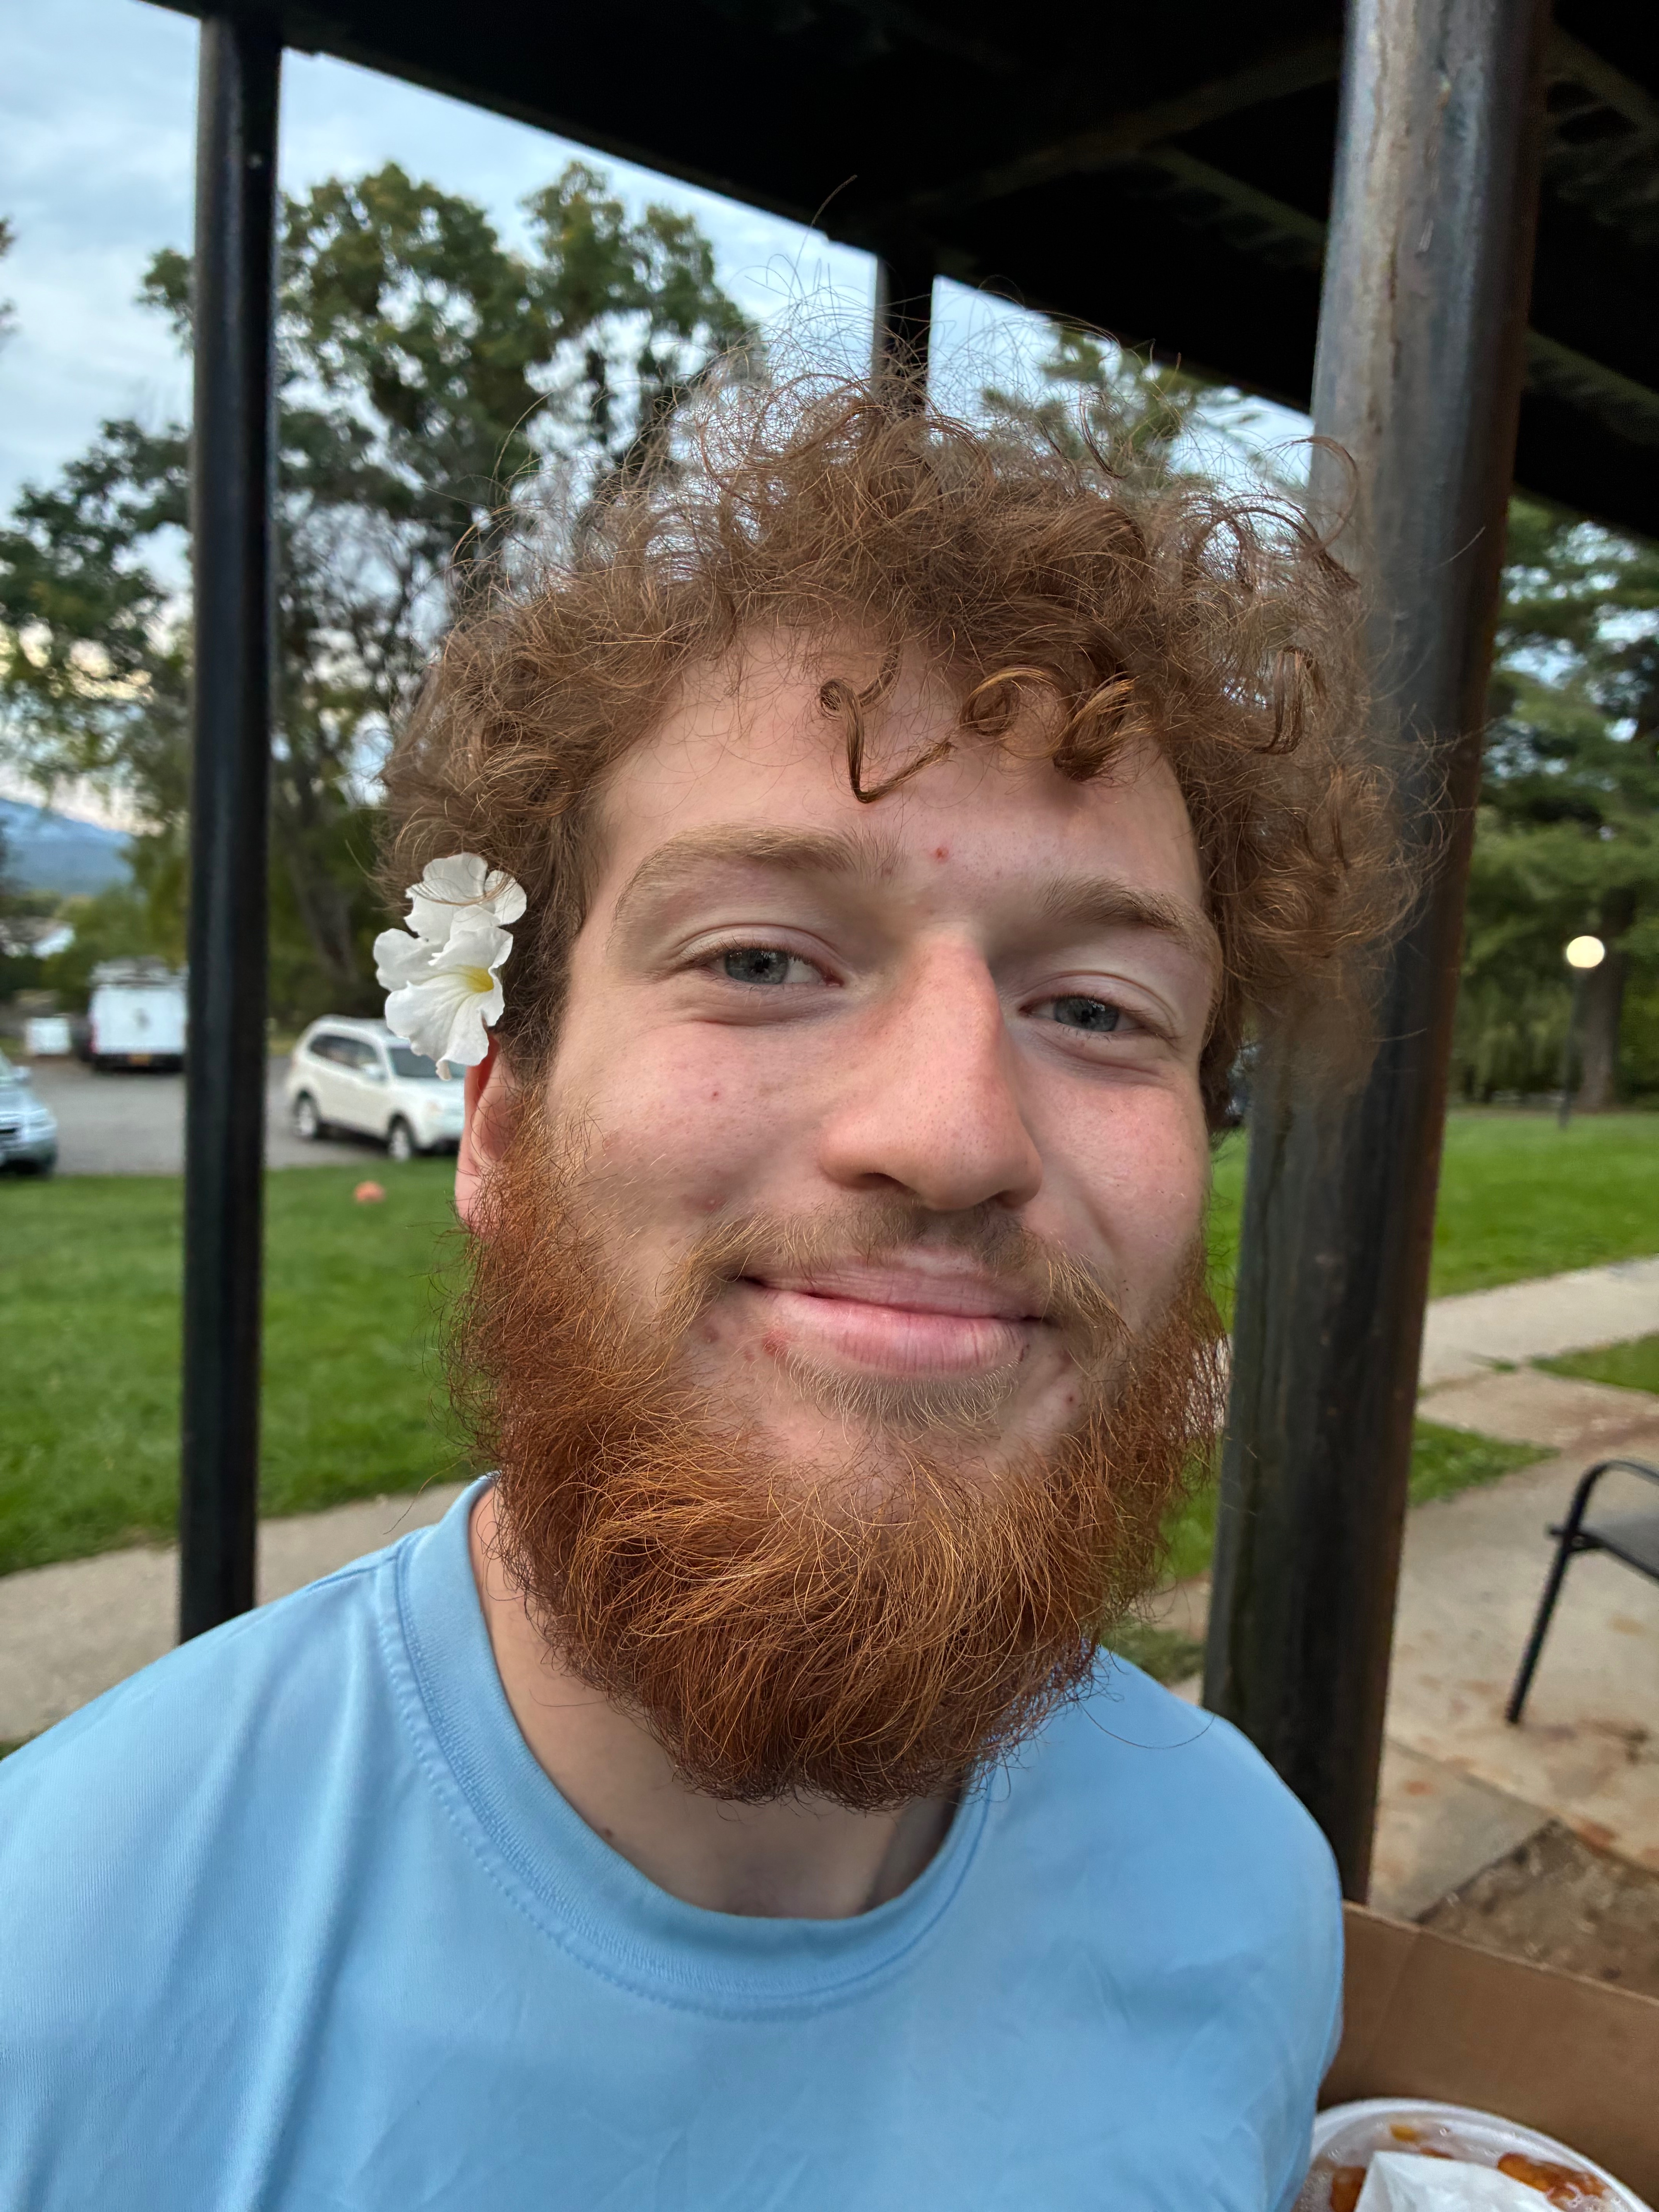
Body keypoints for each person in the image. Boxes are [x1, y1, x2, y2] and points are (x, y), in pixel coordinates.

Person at [0, 378, 1399, 2209]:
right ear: (497, 1124)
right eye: (758, 959)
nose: (954, 1133)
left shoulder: (1249, 1907)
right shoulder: (53, 1981)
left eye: (1095, 1007)